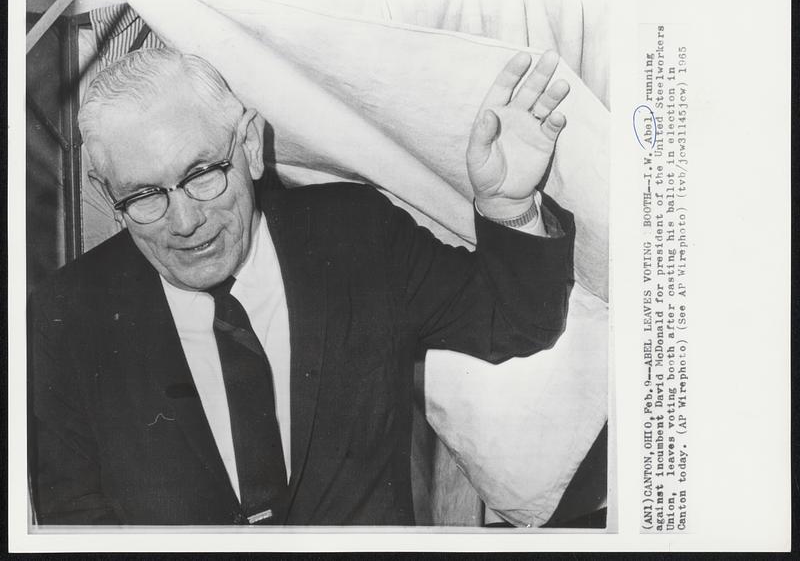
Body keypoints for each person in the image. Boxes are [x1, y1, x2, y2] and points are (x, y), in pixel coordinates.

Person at [28, 47, 575, 526]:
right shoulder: (65, 316)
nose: (183, 221)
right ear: (105, 193)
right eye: (144, 196)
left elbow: (518, 322)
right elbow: (73, 518)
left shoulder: (358, 236)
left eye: (201, 175)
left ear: (247, 144)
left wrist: (507, 206)